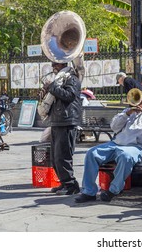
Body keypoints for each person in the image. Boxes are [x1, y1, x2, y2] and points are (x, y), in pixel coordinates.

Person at [74, 90, 142, 203]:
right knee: (92, 153)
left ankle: (113, 190)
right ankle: (89, 191)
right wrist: (127, 114)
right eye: (138, 98)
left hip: (137, 147)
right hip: (116, 144)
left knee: (125, 156)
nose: (139, 102)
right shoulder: (128, 112)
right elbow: (114, 127)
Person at [38, 62, 82, 195]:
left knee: (63, 156)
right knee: (55, 157)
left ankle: (71, 186)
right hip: (57, 121)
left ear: (62, 64)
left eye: (55, 64)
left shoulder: (72, 78)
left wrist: (52, 87)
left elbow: (70, 96)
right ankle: (64, 183)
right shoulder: (60, 80)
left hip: (67, 121)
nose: (53, 67)